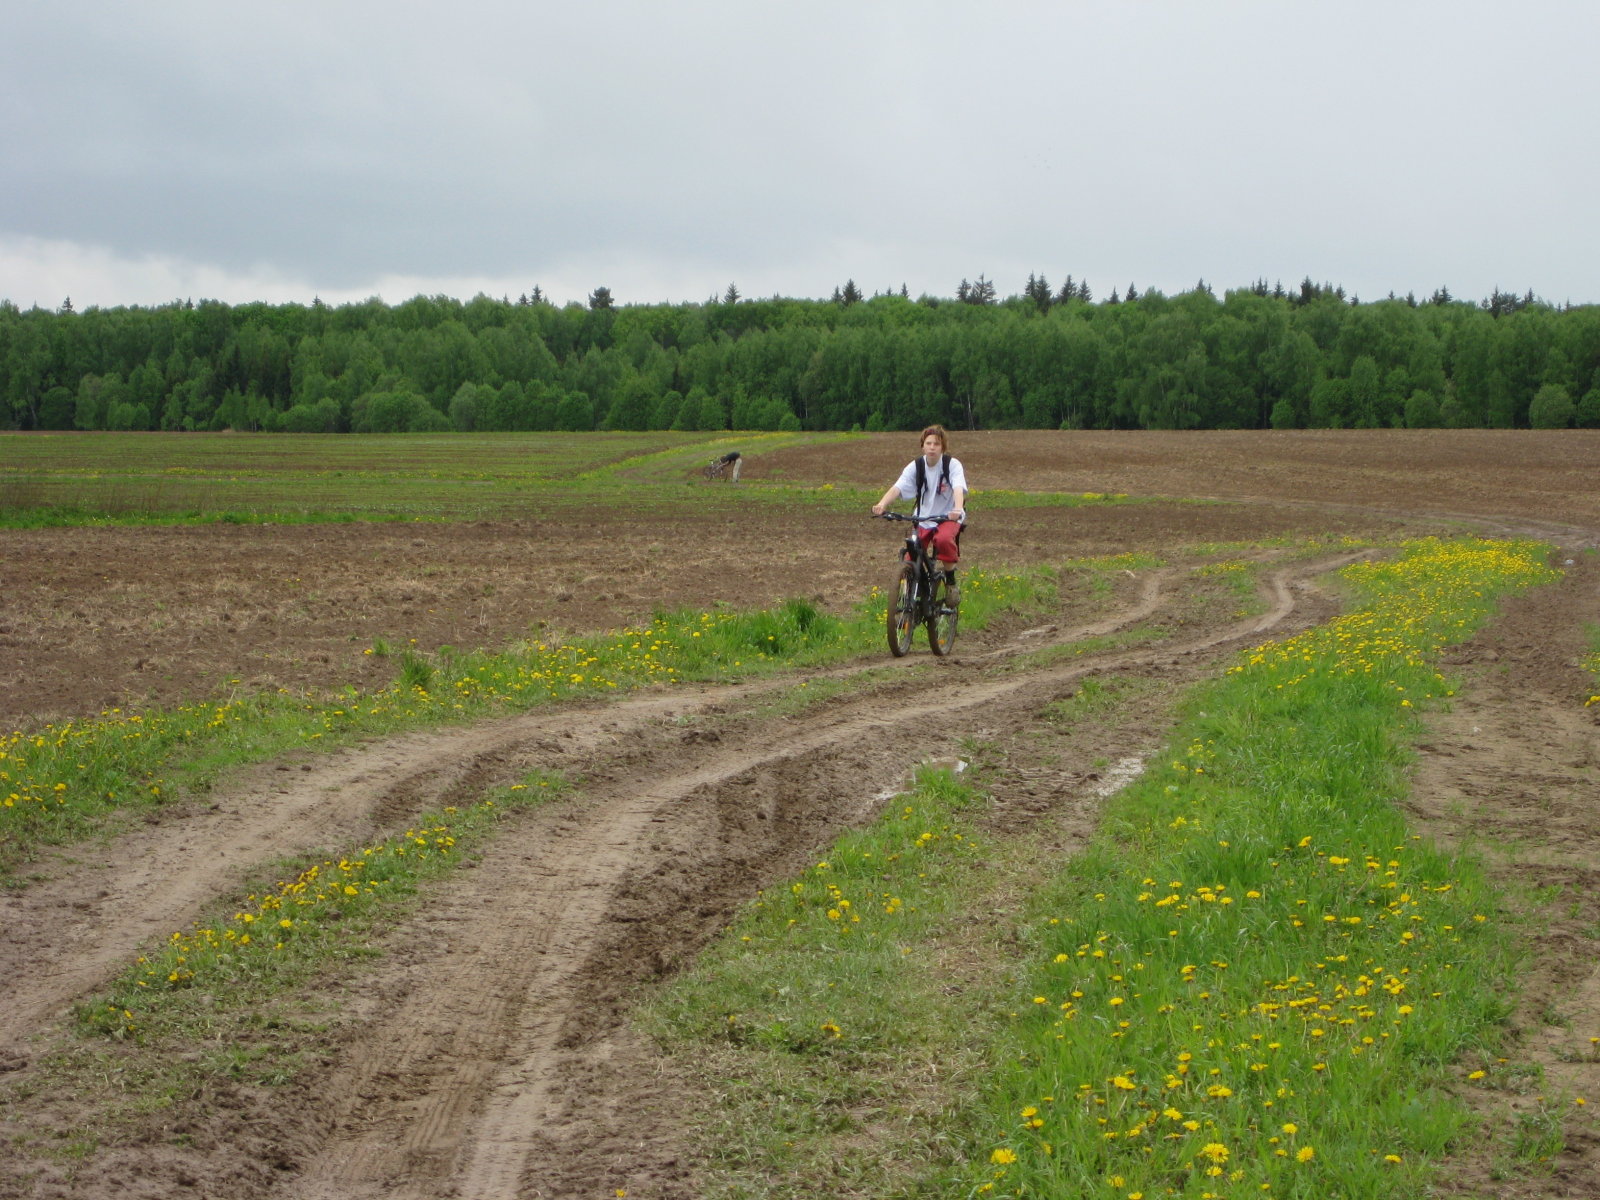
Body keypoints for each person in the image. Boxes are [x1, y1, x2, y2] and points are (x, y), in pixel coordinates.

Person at [871, 424, 968, 604]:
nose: (932, 447)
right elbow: (898, 487)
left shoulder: (952, 465)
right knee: (911, 554)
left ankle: (951, 583)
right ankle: (909, 597)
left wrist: (957, 508)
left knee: (943, 540)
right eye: (928, 443)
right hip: (922, 518)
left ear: (943, 447)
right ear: (922, 446)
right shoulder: (916, 466)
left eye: (936, 444)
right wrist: (882, 504)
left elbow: (958, 488)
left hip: (947, 517)